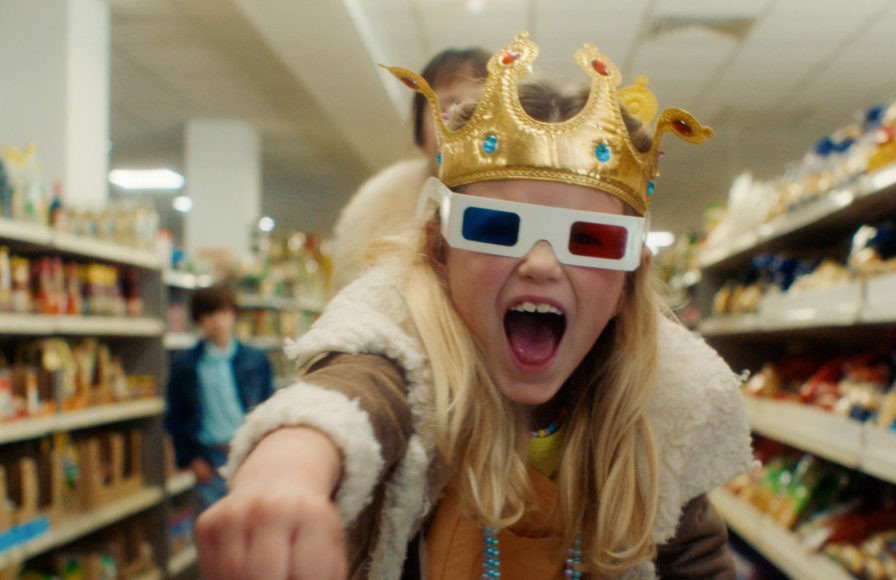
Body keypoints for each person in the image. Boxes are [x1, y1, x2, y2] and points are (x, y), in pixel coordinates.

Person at [196, 32, 754, 579]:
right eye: (495, 228)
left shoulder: (663, 418)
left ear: (627, 285)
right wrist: (292, 465)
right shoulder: (402, 356)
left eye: (590, 239)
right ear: (440, 255)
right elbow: (359, 392)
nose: (541, 265)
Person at [331, 46, 491, 293]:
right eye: (452, 109)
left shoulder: (528, 195)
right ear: (421, 130)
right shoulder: (379, 205)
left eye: (484, 111)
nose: (468, 126)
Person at [164, 284, 274, 510]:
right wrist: (191, 459)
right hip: (209, 460)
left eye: (223, 312)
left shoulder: (255, 360)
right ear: (198, 319)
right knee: (214, 532)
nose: (217, 321)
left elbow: (270, 408)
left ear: (233, 314)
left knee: (253, 524)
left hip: (250, 454)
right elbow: (176, 416)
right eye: (208, 314)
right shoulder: (186, 365)